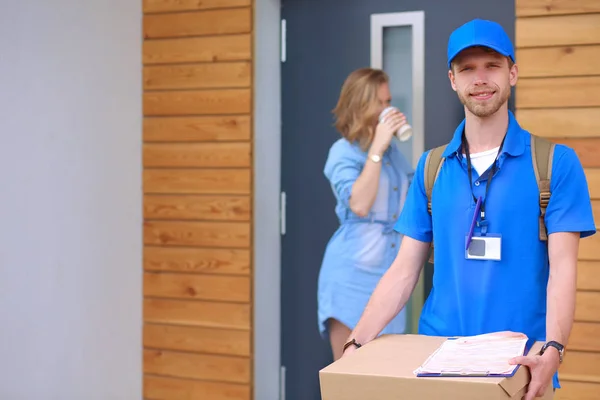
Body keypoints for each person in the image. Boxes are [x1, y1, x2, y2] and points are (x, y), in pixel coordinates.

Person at [340, 19, 596, 400]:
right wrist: (354, 345)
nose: (480, 79)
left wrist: (553, 350)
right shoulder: (431, 167)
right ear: (452, 80)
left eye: (491, 66)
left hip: (520, 369)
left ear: (512, 73)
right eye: (467, 69)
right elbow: (403, 271)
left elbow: (563, 268)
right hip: (435, 363)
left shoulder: (554, 164)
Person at [318, 67, 415, 361]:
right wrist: (376, 147)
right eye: (380, 103)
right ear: (360, 105)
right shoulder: (343, 152)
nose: (388, 109)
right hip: (351, 277)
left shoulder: (394, 154)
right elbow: (359, 203)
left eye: (389, 102)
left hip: (389, 279)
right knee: (348, 377)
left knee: (383, 377)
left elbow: (412, 200)